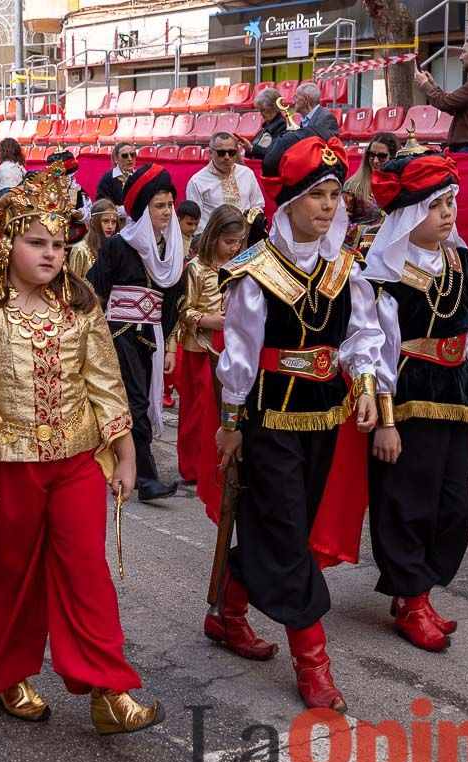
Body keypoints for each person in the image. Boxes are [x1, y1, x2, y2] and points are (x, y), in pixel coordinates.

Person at [0, 161, 164, 733]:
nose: (51, 254)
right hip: (2, 463)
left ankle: (107, 690)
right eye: (36, 242)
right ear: (4, 243)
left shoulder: (80, 306)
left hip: (76, 460)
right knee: (3, 574)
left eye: (58, 244)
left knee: (86, 569)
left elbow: (105, 382)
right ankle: (7, 672)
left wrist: (127, 452)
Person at [209, 126, 381, 712]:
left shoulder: (345, 267)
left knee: (282, 523)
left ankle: (229, 613)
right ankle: (314, 661)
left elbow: (362, 335)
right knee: (285, 531)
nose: (328, 207)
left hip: (324, 418)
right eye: (317, 196)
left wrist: (362, 384)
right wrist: (231, 421)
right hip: (269, 420)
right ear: (288, 202)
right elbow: (238, 355)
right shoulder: (255, 274)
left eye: (335, 196)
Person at [364, 149, 468, 652]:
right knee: (406, 501)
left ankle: (418, 589)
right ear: (410, 215)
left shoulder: (466, 264)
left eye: (452, 203)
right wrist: (386, 421)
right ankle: (411, 598)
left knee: (455, 503)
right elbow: (375, 347)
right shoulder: (382, 276)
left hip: (455, 397)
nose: (447, 213)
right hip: (408, 399)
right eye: (437, 204)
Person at [90, 164, 185, 502]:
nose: (166, 212)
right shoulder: (118, 245)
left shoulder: (172, 252)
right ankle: (146, 478)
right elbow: (94, 289)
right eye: (159, 205)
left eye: (169, 205)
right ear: (144, 210)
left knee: (142, 402)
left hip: (152, 336)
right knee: (136, 401)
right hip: (120, 333)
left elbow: (174, 303)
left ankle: (131, 467)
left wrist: (171, 346)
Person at [176, 204, 244, 484]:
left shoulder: (240, 266)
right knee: (195, 411)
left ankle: (214, 459)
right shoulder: (196, 268)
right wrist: (207, 320)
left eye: (239, 242)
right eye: (228, 242)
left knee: (218, 409)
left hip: (229, 346)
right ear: (214, 236)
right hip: (199, 346)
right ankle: (191, 465)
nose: (233, 248)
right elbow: (182, 309)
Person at [414, 35, 468, 155]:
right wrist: (433, 85)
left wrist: (424, 84)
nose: (460, 57)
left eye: (464, 52)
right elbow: (452, 106)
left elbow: (446, 103)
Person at [186, 132, 265, 228]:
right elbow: (195, 218)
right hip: (214, 239)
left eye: (231, 152)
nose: (227, 157)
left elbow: (257, 205)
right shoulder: (197, 181)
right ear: (210, 153)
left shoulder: (247, 174)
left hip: (246, 236)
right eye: (221, 153)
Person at [342, 133, 399, 250]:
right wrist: (369, 231)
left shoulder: (400, 186)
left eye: (382, 156)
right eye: (371, 155)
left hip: (392, 249)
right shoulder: (352, 187)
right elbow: (339, 226)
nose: (376, 160)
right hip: (360, 252)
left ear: (393, 157)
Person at [67, 198, 119, 278]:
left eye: (114, 222)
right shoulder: (80, 249)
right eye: (105, 221)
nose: (110, 226)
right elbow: (73, 285)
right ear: (93, 222)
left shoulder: (117, 250)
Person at [236, 87, 286, 160]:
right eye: (259, 110)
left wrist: (251, 149)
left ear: (274, 108)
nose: (260, 114)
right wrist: (248, 148)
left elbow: (274, 153)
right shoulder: (267, 125)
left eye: (263, 110)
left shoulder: (282, 126)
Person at [95, 142, 137, 211]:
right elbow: (102, 206)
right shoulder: (107, 179)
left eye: (132, 155)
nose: (130, 159)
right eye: (125, 156)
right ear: (116, 159)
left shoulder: (140, 176)